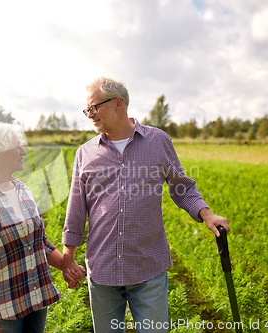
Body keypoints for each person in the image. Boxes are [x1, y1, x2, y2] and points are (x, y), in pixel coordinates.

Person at [61, 77, 230, 333]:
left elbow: (181, 187)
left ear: (118, 103)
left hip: (148, 270)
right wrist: (68, 258)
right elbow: (76, 209)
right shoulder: (85, 153)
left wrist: (207, 215)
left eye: (94, 107)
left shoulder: (158, 141)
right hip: (103, 271)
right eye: (87, 110)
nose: (90, 115)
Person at [0, 123, 83, 333]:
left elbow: (38, 243)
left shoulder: (23, 190)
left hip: (36, 298)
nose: (23, 152)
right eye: (17, 146)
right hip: (6, 309)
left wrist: (66, 266)